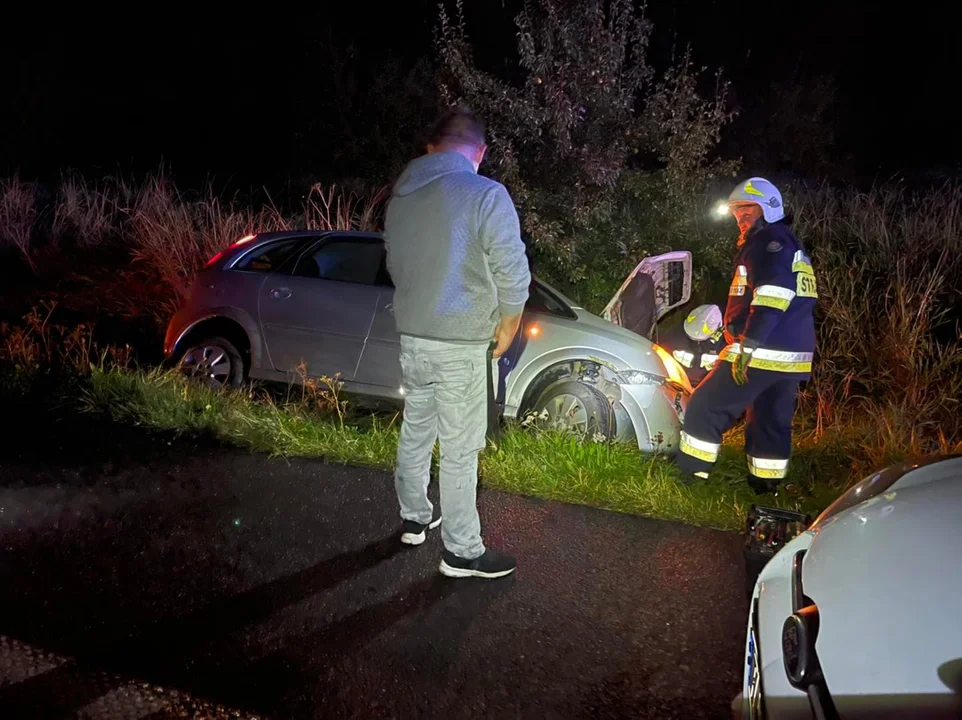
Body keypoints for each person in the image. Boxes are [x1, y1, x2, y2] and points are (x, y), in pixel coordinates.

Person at [384, 107, 531, 579]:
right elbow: (512, 270)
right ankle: (462, 552)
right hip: (460, 344)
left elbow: (394, 265)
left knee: (416, 429)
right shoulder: (486, 193)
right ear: (480, 152)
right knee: (460, 448)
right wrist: (508, 326)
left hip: (413, 338)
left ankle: (413, 519)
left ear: (432, 148)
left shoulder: (401, 198)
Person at [676, 178, 817, 494]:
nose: (740, 219)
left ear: (768, 209)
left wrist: (749, 343)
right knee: (769, 419)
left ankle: (690, 477)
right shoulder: (790, 243)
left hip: (761, 349)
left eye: (747, 211)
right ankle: (766, 486)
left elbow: (772, 294)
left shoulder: (768, 242)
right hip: (792, 355)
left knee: (705, 406)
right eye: (736, 213)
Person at [656, 304, 725, 388]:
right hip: (678, 384)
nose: (695, 341)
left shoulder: (724, 344)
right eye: (691, 338)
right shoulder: (673, 337)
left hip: (706, 388)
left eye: (697, 339)